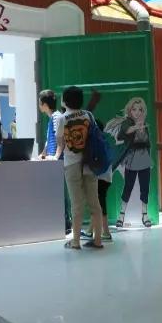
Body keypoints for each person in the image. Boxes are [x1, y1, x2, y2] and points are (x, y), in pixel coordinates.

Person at [54, 86, 103, 250]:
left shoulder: (62, 119)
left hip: (72, 164)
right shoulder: (88, 115)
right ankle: (98, 240)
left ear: (65, 101)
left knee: (77, 203)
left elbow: (60, 143)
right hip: (90, 162)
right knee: (94, 202)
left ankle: (75, 242)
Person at [105, 98, 153, 228]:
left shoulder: (144, 123)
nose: (137, 112)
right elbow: (123, 133)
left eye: (140, 109)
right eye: (134, 109)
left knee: (145, 188)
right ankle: (121, 215)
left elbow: (147, 143)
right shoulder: (127, 122)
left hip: (144, 159)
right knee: (128, 187)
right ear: (130, 110)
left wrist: (142, 129)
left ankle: (145, 214)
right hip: (132, 159)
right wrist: (136, 127)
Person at [38, 89, 71, 234]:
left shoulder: (57, 117)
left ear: (44, 104)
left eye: (40, 102)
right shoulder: (52, 118)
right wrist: (42, 154)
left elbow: (60, 139)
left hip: (59, 162)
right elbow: (49, 140)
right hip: (53, 161)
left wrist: (56, 157)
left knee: (61, 193)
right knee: (57, 192)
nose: (39, 105)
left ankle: (66, 223)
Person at [81, 119, 113, 242]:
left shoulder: (95, 141)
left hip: (100, 177)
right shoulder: (103, 140)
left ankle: (106, 232)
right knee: (98, 204)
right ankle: (90, 231)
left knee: (98, 205)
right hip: (106, 176)